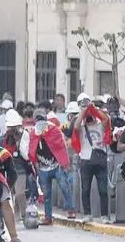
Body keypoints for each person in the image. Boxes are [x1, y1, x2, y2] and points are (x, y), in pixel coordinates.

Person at [72, 93, 111, 223]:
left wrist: (92, 108)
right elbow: (76, 127)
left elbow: (105, 120)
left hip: (100, 159)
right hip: (85, 160)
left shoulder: (100, 124)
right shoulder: (82, 126)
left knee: (103, 189)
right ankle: (87, 214)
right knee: (85, 189)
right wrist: (83, 111)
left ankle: (104, 215)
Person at [31, 109, 73, 224]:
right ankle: (48, 217)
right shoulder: (33, 133)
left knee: (64, 186)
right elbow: (31, 151)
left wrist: (65, 163)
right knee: (46, 194)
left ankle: (71, 210)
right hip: (42, 169)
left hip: (56, 166)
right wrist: (35, 168)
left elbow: (61, 146)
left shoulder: (54, 130)